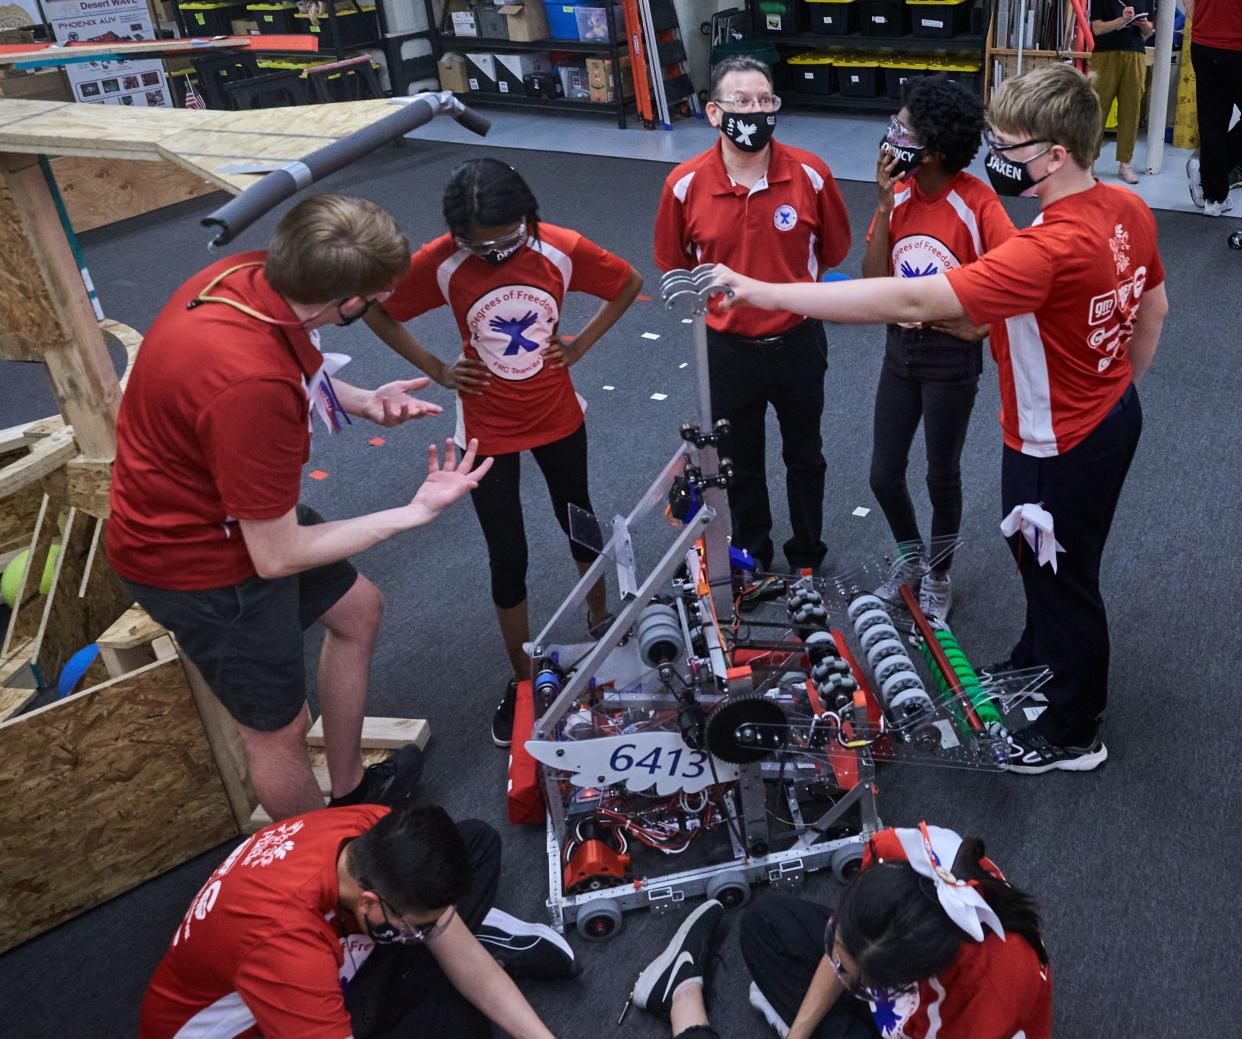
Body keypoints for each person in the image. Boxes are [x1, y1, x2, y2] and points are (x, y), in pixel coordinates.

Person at [710, 64, 1168, 773]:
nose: (995, 155)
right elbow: (1153, 312)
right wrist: (1111, 390)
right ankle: (1037, 655)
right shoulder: (1124, 207)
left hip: (1061, 439)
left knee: (1068, 581)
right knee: (1044, 567)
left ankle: (1075, 729)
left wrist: (762, 288)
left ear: (1055, 153)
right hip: (1105, 419)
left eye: (1009, 145)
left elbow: (911, 302)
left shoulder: (1043, 250)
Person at [107, 194, 492, 821]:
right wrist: (412, 513)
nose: (382, 304)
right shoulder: (251, 390)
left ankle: (350, 795)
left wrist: (362, 398)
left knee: (358, 610)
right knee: (280, 733)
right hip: (196, 561)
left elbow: (290, 357)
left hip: (226, 513)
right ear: (341, 303)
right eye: (375, 297)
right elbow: (277, 555)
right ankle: (320, 870)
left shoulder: (244, 277)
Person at [364, 159, 642, 748]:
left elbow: (628, 283)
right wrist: (438, 368)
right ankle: (523, 680)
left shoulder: (559, 248)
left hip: (558, 414)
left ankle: (600, 622)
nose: (492, 254)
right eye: (477, 244)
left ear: (527, 217)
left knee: (579, 520)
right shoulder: (441, 260)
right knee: (506, 551)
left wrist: (581, 345)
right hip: (486, 427)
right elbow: (374, 307)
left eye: (505, 240)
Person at [653, 55, 851, 576]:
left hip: (798, 342)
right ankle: (755, 557)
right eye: (743, 101)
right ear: (714, 113)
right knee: (740, 465)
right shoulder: (683, 184)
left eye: (766, 100)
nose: (756, 111)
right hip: (725, 351)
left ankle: (807, 555)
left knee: (805, 455)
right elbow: (675, 264)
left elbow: (831, 252)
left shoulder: (811, 173)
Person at [139, 802, 576, 1038]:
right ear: (367, 902)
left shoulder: (370, 825)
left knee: (474, 842)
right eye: (421, 926)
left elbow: (466, 962)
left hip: (321, 954)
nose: (426, 930)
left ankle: (440, 941)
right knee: (457, 1030)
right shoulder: (287, 947)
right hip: (275, 1013)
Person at [627, 824, 1050, 1039]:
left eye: (853, 978)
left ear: (907, 981)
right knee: (765, 922)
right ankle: (681, 994)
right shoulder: (897, 858)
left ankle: (683, 998)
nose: (835, 970)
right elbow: (848, 951)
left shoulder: (990, 1006)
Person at [862, 75, 1015, 621]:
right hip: (899, 351)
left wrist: (983, 329)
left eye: (904, 128)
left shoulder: (977, 204)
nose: (893, 135)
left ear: (933, 149)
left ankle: (939, 576)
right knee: (883, 474)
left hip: (950, 360)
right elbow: (872, 283)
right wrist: (882, 208)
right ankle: (911, 559)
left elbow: (1021, 278)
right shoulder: (898, 194)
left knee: (940, 475)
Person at [1185, 0, 1242, 215]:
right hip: (1235, 45)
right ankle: (1210, 179)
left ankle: (1215, 197)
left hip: (1204, 44)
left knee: (1212, 123)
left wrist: (1202, 21)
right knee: (1212, 123)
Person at [1089, 2, 1155, 184]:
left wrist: (1142, 24)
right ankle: (1089, 162)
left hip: (1135, 53)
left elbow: (1149, 30)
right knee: (1097, 109)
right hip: (1105, 54)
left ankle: (1125, 164)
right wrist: (1121, 20)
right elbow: (1097, 28)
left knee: (1131, 110)